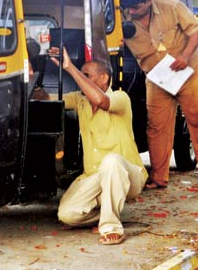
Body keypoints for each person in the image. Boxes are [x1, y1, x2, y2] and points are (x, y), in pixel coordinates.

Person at [119, 0, 198, 192]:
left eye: (136, 8)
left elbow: (197, 30)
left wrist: (185, 56)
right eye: (128, 8)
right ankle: (159, 177)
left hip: (187, 72)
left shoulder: (171, 6)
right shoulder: (122, 16)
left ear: (148, 2)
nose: (131, 12)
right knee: (157, 127)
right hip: (157, 77)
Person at [54, 47, 148, 245]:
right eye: (81, 74)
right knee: (67, 214)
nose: (81, 78)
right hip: (95, 176)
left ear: (104, 77)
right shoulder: (80, 100)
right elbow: (46, 99)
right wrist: (33, 71)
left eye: (86, 75)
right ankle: (107, 211)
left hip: (128, 174)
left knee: (111, 160)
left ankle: (111, 226)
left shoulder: (121, 98)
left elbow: (101, 100)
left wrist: (70, 68)